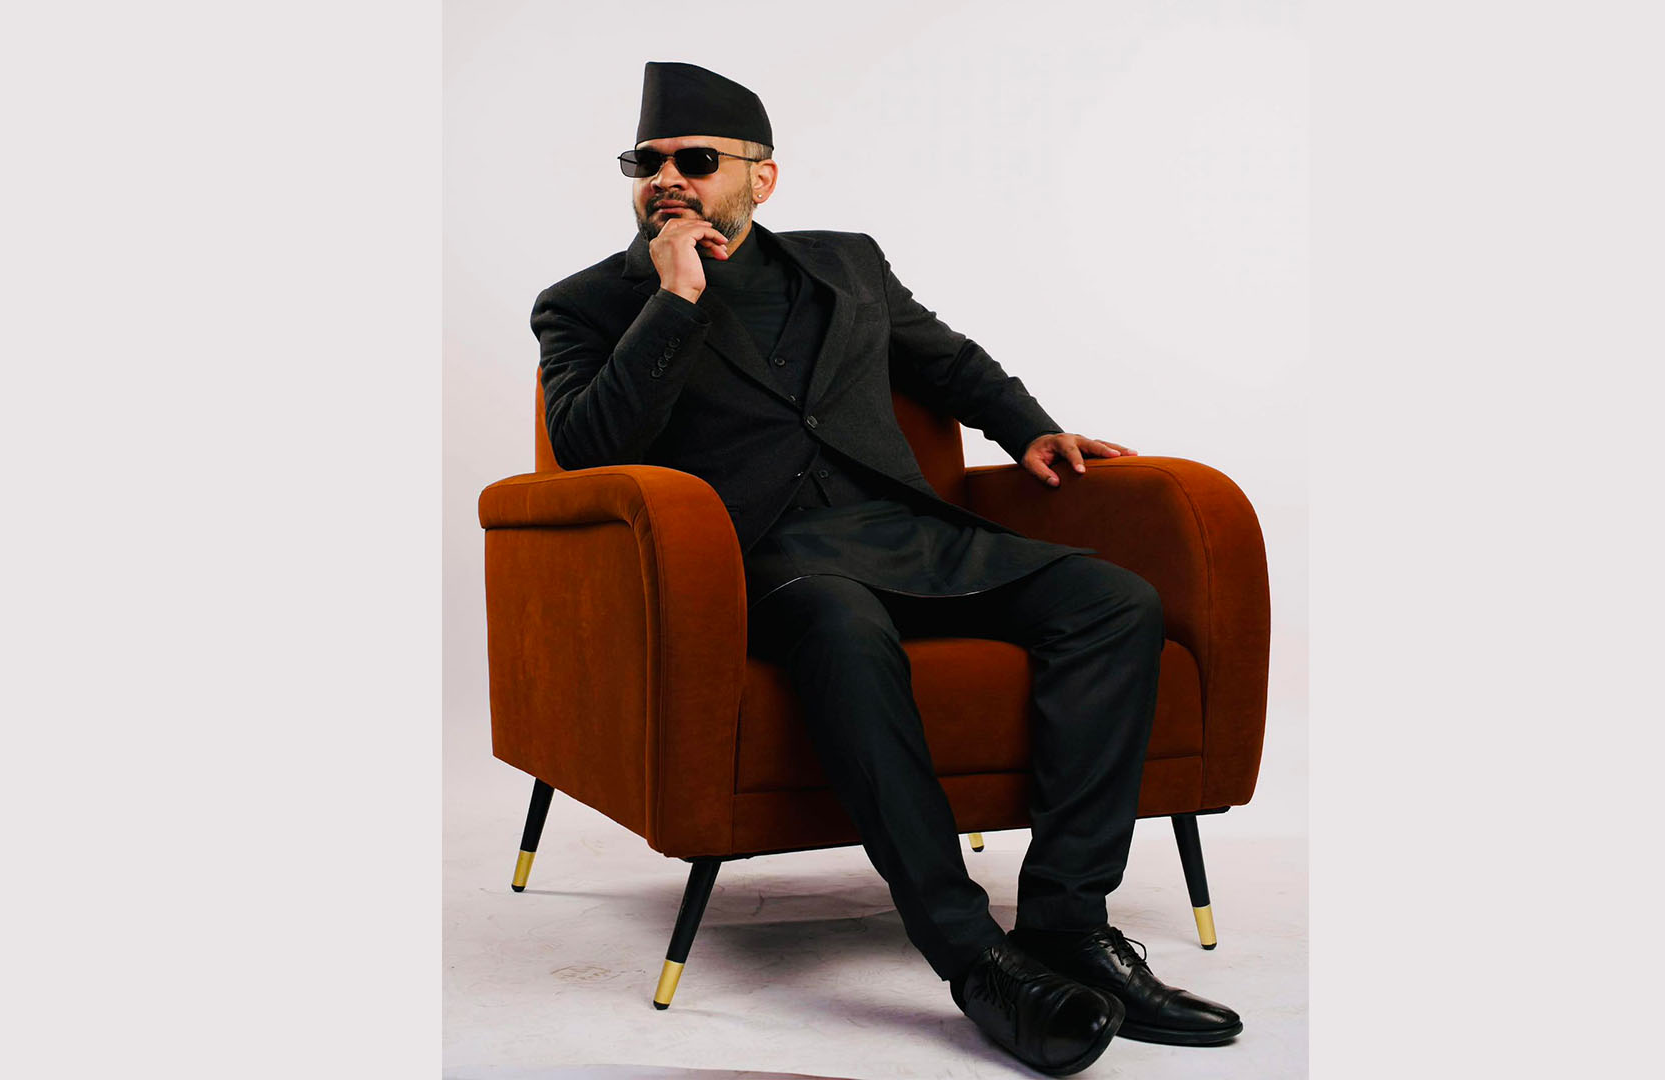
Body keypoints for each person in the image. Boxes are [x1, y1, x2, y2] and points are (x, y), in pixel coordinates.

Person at [531, 60, 1241, 1076]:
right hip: (760, 559)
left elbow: (944, 359)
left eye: (695, 160)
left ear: (762, 178)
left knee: (1115, 602)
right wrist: (674, 297)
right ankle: (974, 958)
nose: (667, 178)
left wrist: (1030, 429)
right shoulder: (587, 304)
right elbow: (589, 449)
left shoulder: (848, 264)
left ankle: (1068, 925)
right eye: (648, 163)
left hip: (908, 531)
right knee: (843, 627)